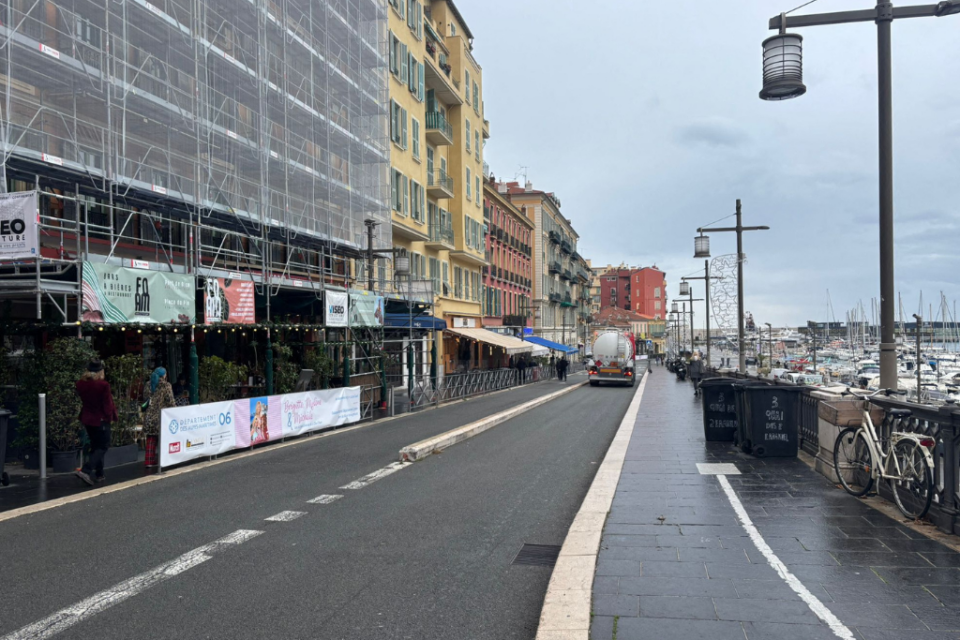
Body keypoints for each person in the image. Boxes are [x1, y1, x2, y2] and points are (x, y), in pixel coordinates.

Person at [75, 360, 118, 485]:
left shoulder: (81, 384)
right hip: (101, 419)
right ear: (100, 371)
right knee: (103, 446)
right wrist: (110, 417)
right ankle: (86, 470)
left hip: (87, 418)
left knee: (96, 446)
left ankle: (99, 474)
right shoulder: (103, 385)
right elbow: (107, 404)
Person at [143, 367, 176, 467]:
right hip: (160, 417)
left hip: (149, 416)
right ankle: (163, 460)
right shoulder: (166, 385)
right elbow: (170, 401)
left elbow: (145, 399)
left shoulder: (148, 384)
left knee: (151, 438)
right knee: (163, 439)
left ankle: (149, 460)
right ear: (164, 375)